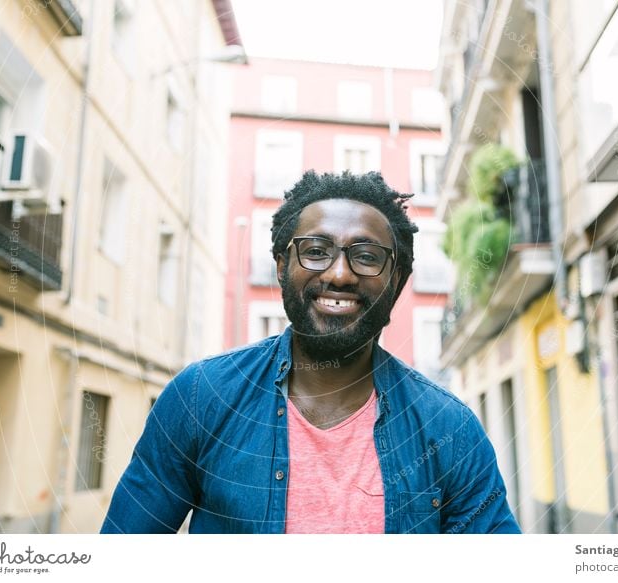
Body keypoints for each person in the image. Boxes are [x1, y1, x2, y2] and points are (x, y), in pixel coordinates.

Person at [101, 171, 520, 534]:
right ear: (282, 266)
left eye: (367, 256)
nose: (339, 274)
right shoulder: (200, 398)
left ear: (397, 280)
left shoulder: (450, 429)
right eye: (316, 251)